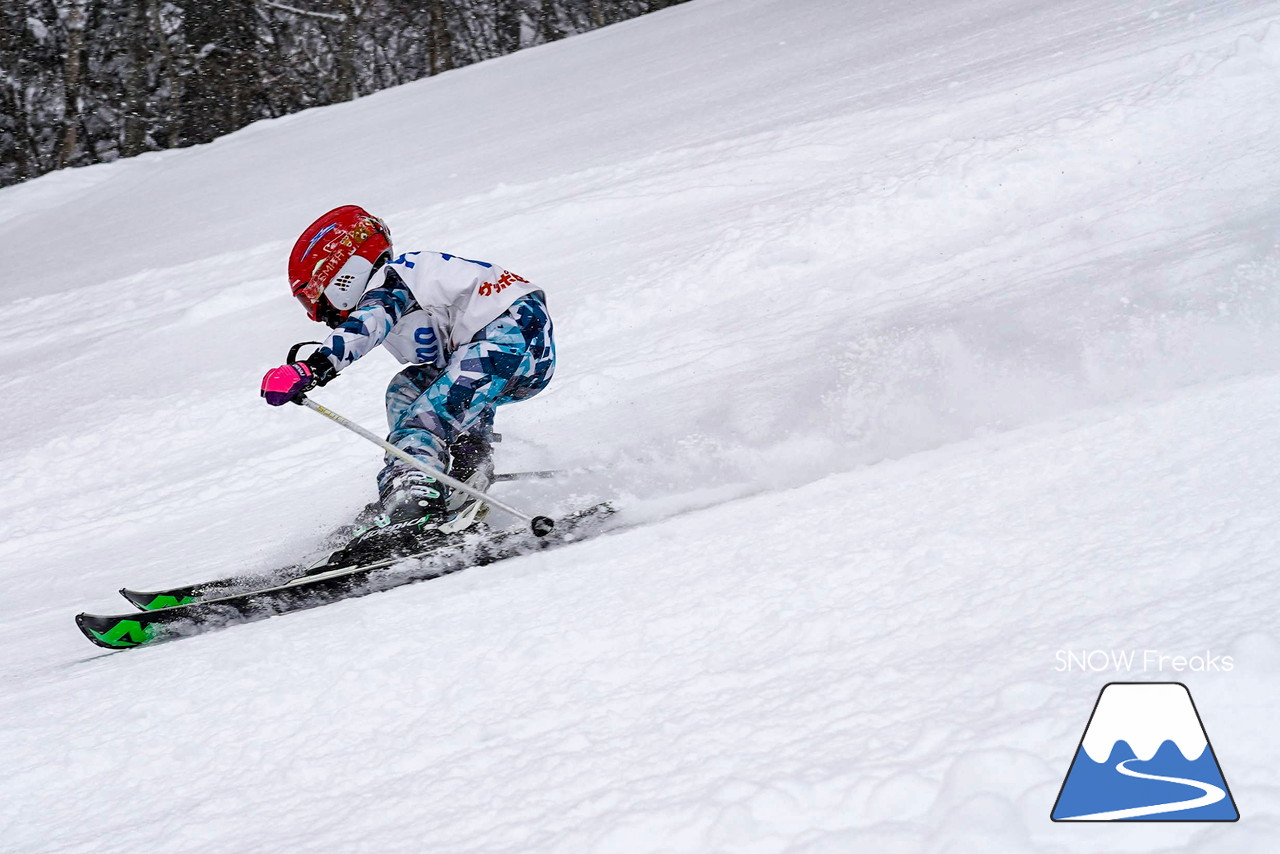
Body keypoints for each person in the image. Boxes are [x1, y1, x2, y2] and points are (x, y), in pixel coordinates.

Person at [260, 205, 555, 542]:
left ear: (341, 273)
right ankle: (460, 470)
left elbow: (366, 325)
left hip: (504, 337)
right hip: (515, 344)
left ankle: (414, 501)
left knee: (425, 420)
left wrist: (312, 367)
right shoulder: (409, 284)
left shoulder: (392, 282)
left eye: (314, 297)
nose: (319, 315)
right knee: (407, 390)